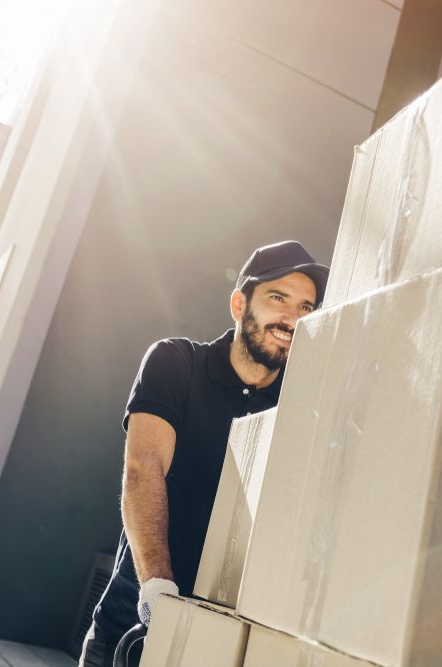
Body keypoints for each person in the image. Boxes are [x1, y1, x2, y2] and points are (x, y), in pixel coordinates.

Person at [79, 241, 328, 667]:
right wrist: (158, 589)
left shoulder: (301, 405)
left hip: (220, 642)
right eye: (278, 299)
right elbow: (144, 469)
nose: (292, 319)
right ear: (238, 304)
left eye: (306, 308)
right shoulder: (177, 362)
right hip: (135, 624)